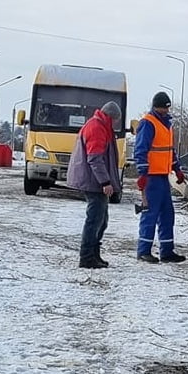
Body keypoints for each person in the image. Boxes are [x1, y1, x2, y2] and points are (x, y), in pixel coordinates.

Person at [64, 100, 124, 269]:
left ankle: (93, 254)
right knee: (95, 220)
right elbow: (95, 159)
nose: (117, 124)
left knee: (101, 220)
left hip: (94, 180)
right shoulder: (97, 128)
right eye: (117, 120)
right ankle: (87, 257)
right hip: (93, 182)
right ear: (111, 117)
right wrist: (105, 181)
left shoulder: (99, 125)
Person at [132, 91, 187, 263]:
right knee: (150, 213)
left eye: (167, 108)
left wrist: (176, 169)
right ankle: (143, 251)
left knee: (167, 214)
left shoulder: (167, 125)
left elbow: (169, 151)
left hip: (163, 176)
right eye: (163, 108)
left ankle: (167, 251)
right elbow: (140, 150)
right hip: (151, 177)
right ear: (156, 106)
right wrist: (142, 174)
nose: (165, 111)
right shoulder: (148, 123)